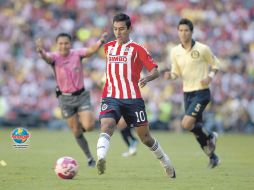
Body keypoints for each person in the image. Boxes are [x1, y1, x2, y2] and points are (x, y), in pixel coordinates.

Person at [96, 13, 175, 178]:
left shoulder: (138, 49)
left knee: (145, 138)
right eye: (115, 29)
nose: (118, 32)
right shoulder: (108, 47)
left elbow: (155, 70)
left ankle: (165, 160)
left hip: (133, 99)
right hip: (111, 96)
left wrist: (147, 78)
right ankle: (101, 158)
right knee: (107, 125)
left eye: (122, 29)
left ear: (129, 29)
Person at [35, 32, 107, 167]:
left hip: (81, 96)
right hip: (65, 99)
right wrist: (41, 51)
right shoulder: (54, 57)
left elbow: (90, 51)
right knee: (76, 131)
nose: (63, 46)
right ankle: (90, 158)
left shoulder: (77, 54)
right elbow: (46, 57)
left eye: (66, 43)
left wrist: (100, 41)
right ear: (57, 45)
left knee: (90, 126)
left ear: (70, 44)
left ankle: (80, 128)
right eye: (61, 43)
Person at [164, 18, 220, 168]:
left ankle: (211, 136)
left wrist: (210, 77)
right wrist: (170, 76)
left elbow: (216, 64)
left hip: (201, 93)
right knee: (195, 129)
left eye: (186, 30)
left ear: (191, 32)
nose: (183, 33)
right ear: (177, 32)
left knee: (186, 123)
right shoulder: (175, 51)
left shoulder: (202, 49)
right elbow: (176, 72)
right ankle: (213, 157)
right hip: (187, 93)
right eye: (180, 30)